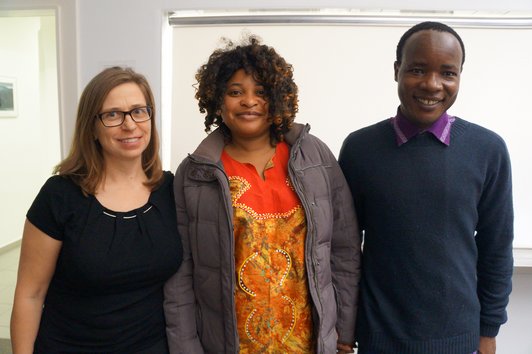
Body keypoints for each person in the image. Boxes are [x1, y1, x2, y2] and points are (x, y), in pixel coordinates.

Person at [164, 35, 361, 354]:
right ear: (216, 99)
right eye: (235, 92)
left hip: (310, 344)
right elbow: (180, 273)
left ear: (279, 97)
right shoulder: (195, 173)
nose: (249, 101)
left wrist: (345, 332)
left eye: (261, 91)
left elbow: (344, 250)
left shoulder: (315, 158)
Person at [339, 21, 513, 354]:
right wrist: (344, 327)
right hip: (379, 338)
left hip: (460, 340)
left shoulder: (488, 150)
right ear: (396, 70)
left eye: (448, 73)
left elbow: (497, 248)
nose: (432, 85)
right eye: (417, 69)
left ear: (460, 76)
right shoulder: (360, 149)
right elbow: (344, 251)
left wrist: (488, 331)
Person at [10, 66, 183, 354]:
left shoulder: (172, 190)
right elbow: (30, 294)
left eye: (139, 111)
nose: (130, 125)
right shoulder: (60, 195)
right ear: (92, 126)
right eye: (113, 114)